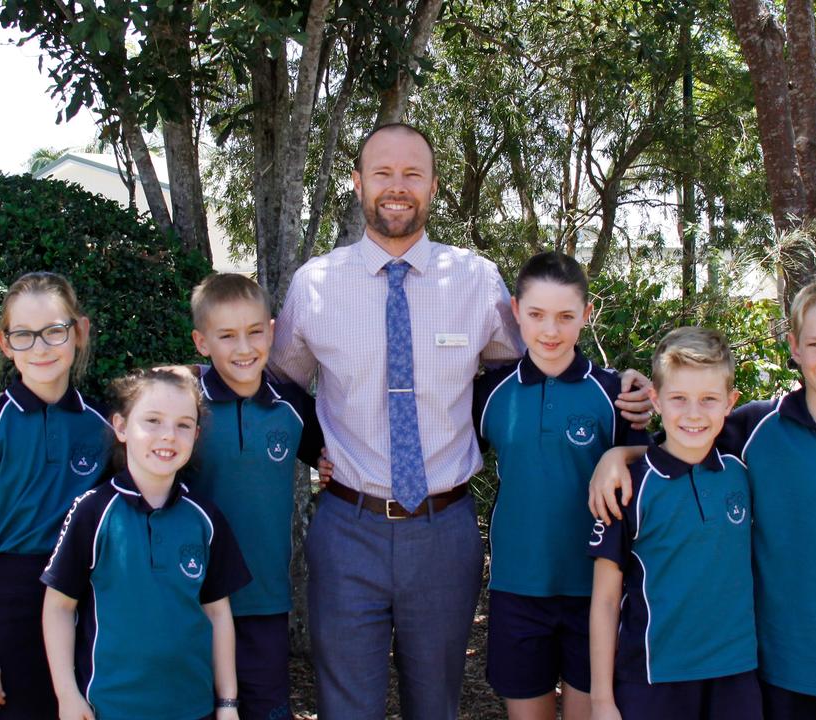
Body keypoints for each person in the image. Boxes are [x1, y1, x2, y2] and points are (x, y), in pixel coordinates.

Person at [272, 123, 650, 719]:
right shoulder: (315, 285)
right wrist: (314, 446)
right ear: (358, 182)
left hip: (444, 531)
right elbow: (281, 383)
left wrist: (624, 388)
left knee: (436, 704)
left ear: (433, 186)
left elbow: (536, 362)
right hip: (348, 525)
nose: (397, 187)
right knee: (347, 706)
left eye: (412, 174)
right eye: (383, 173)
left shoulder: (475, 281)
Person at [589, 280, 816, 720]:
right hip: (772, 670)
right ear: (794, 347)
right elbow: (685, 445)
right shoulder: (755, 429)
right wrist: (617, 455)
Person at [0, 271, 114, 718]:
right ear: (5, 343)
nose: (42, 347)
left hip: (81, 600)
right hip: (6, 604)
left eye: (54, 331)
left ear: (80, 332)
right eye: (24, 335)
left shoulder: (109, 427)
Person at [472, 251, 642, 720]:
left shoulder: (615, 395)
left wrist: (620, 451)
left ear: (587, 315)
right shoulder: (488, 394)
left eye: (566, 316)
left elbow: (656, 466)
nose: (551, 330)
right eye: (537, 315)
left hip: (595, 592)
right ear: (515, 311)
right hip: (517, 586)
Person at [41, 366, 250, 720]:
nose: (168, 435)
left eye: (183, 425)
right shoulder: (92, 513)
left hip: (192, 708)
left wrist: (227, 702)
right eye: (152, 420)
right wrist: (67, 694)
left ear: (196, 435)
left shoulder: (206, 519)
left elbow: (217, 613)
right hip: (110, 708)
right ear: (121, 427)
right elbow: (59, 608)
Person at [587, 327, 759, 720]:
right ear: (656, 400)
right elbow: (606, 600)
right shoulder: (628, 486)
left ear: (730, 402)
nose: (694, 413)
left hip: (735, 674)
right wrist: (601, 699)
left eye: (709, 400)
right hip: (653, 677)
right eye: (678, 398)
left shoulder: (744, 470)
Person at [186, 272, 324, 720]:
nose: (244, 348)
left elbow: (331, 454)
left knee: (266, 708)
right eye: (226, 336)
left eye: (254, 332)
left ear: (273, 330)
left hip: (264, 598)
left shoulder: (292, 406)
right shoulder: (186, 403)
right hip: (191, 598)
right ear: (201, 342)